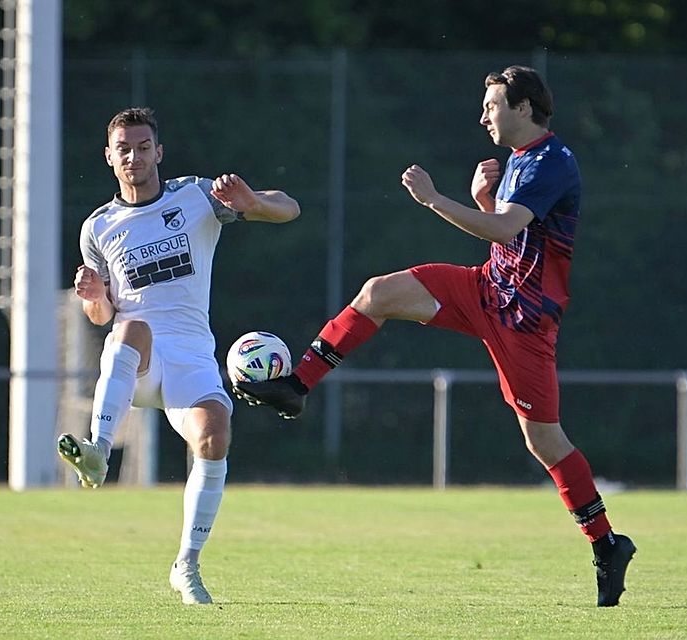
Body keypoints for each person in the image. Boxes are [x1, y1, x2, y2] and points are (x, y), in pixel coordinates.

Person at [235, 66, 636, 607]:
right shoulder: (521, 160)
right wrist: (484, 200)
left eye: (492, 105)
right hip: (487, 288)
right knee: (378, 293)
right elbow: (513, 236)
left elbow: (504, 230)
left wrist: (436, 200)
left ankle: (606, 544)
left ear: (523, 108)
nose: (483, 115)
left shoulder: (551, 161)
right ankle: (297, 385)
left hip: (523, 320)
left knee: (544, 441)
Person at [57, 107, 300, 605]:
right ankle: (99, 450)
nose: (134, 157)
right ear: (109, 157)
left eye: (143, 147)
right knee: (132, 327)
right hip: (137, 358)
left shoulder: (194, 196)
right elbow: (102, 316)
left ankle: (186, 566)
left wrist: (253, 202)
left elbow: (289, 207)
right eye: (124, 149)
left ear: (159, 152)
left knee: (215, 436)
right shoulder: (99, 227)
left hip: (191, 357)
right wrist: (93, 296)